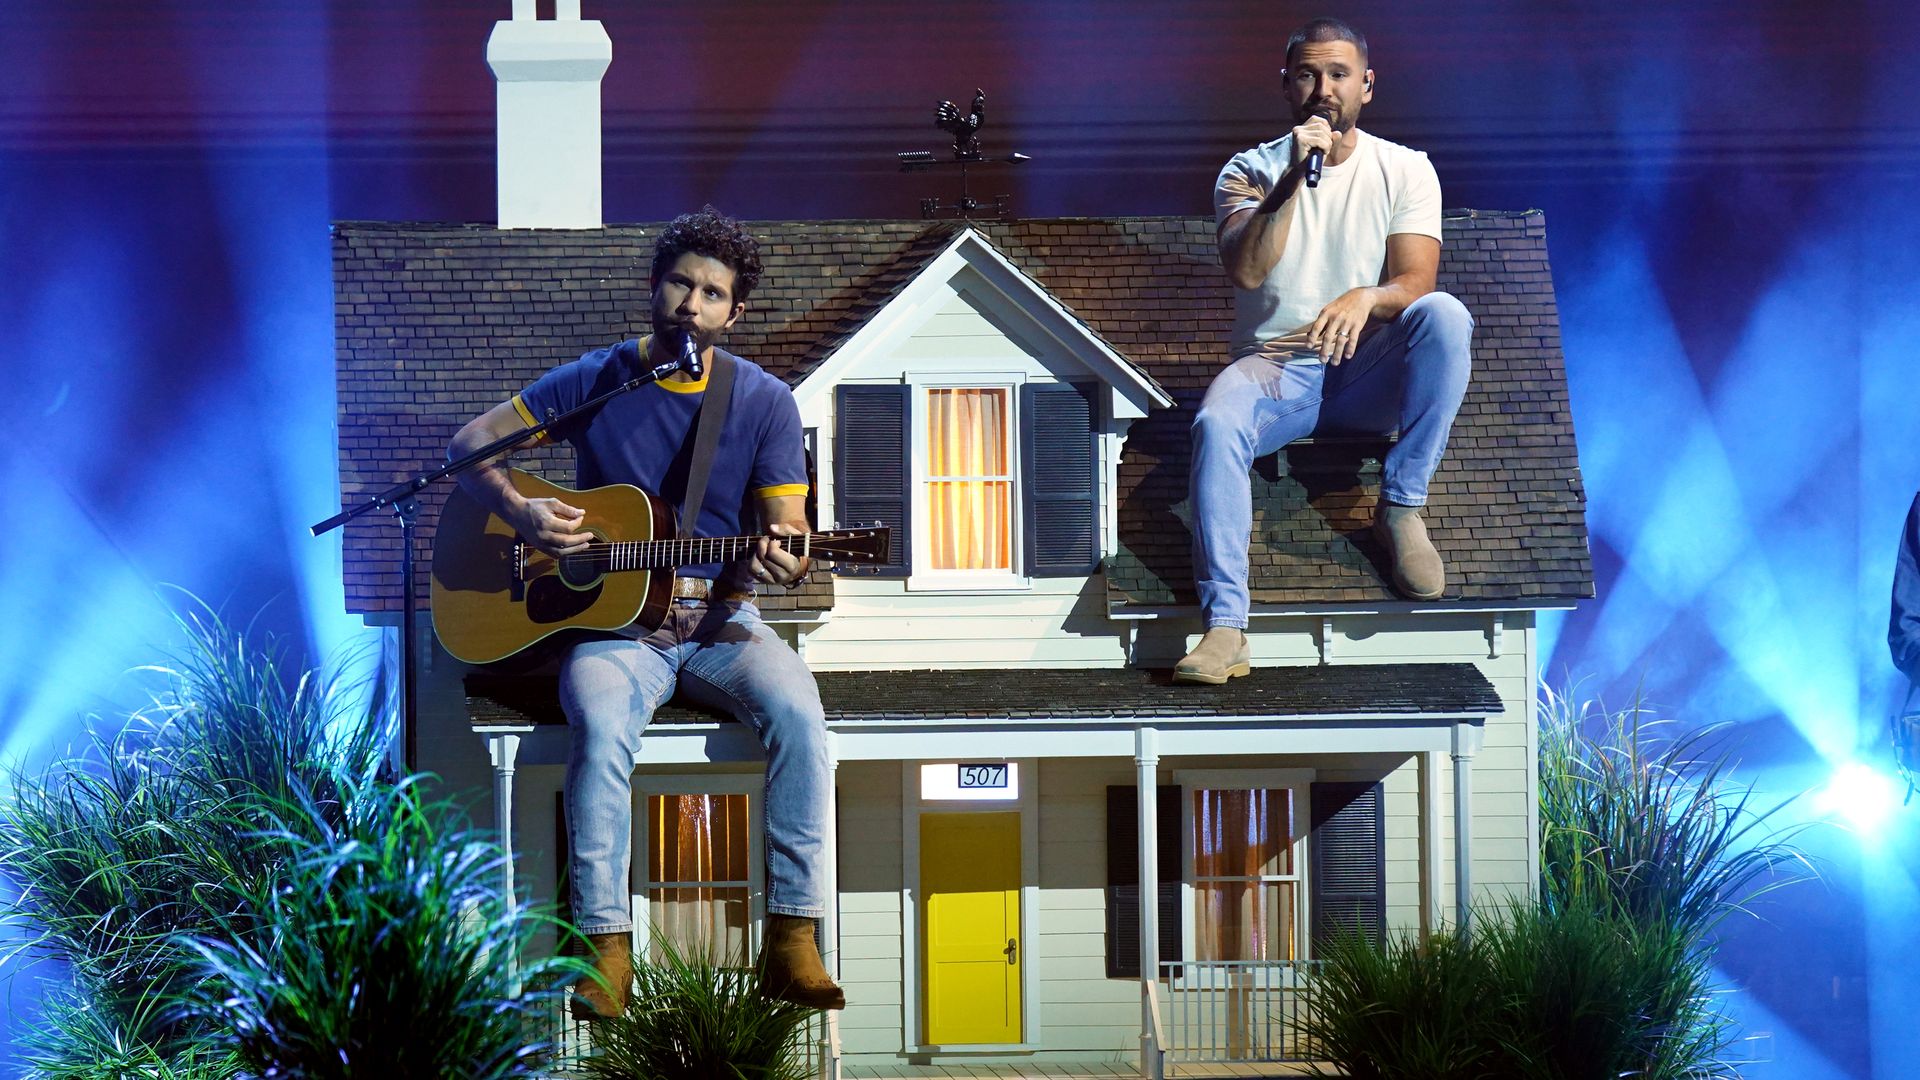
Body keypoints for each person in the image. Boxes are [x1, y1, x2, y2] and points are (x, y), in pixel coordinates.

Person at [448, 208, 843, 1017]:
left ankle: (793, 937)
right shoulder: (598, 378)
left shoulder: (763, 402)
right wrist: (522, 513)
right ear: (654, 287)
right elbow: (471, 445)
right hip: (619, 628)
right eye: (680, 283)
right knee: (598, 726)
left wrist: (787, 549)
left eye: (712, 293)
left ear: (735, 313)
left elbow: (789, 525)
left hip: (722, 622)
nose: (692, 304)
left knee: (803, 719)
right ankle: (604, 946)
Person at [1176, 16, 1475, 685]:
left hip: (1367, 367)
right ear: (1286, 85)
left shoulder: (1405, 169)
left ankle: (1400, 509)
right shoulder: (1247, 171)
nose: (1323, 89)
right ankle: (1226, 626)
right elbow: (1248, 270)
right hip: (1278, 370)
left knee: (1445, 316)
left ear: (1366, 86)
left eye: (1338, 74)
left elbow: (1416, 280)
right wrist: (1288, 180)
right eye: (1308, 74)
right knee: (1216, 421)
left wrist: (1367, 298)